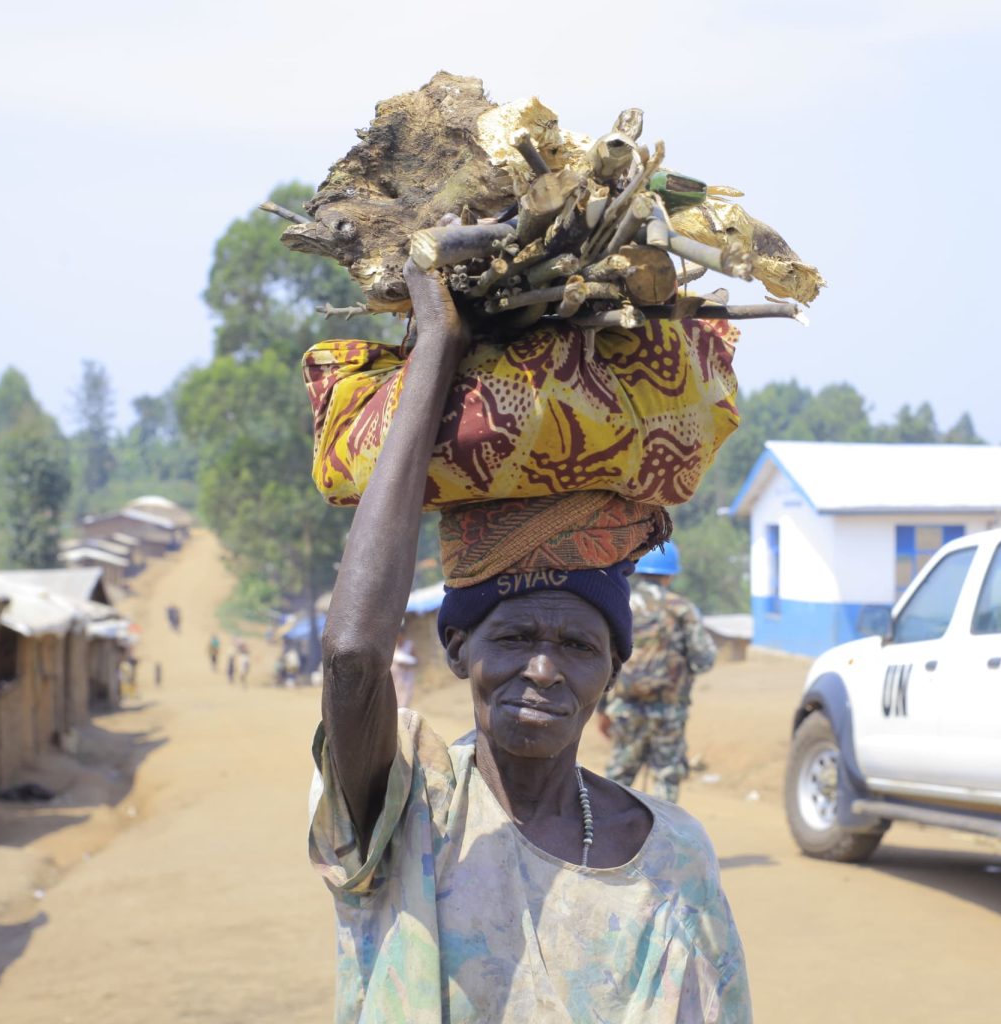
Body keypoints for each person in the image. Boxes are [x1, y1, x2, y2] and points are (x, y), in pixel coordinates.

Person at [309, 257, 750, 1022]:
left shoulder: (675, 854)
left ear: (613, 668)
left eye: (579, 647)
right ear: (456, 650)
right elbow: (353, 659)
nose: (543, 669)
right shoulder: (411, 811)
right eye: (513, 637)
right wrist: (439, 348)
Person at [597, 541, 716, 803]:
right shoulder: (682, 609)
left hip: (626, 708)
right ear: (671, 574)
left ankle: (606, 837)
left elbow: (605, 658)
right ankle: (664, 840)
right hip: (669, 712)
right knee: (666, 777)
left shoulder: (621, 603)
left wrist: (602, 709)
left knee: (619, 777)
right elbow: (704, 659)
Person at [389, 623, 417, 707]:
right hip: (394, 680)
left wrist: (407, 663)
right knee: (394, 704)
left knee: (404, 704)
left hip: (406, 680)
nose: (398, 638)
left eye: (400, 635)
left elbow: (416, 661)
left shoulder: (409, 645)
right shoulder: (391, 646)